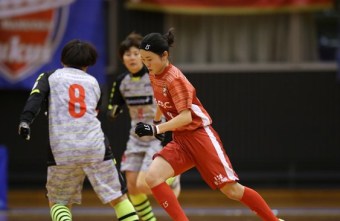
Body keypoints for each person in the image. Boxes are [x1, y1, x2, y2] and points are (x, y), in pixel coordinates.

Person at [134, 28, 285, 221]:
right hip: (181, 140)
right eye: (143, 59)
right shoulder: (155, 73)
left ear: (165, 55)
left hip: (200, 136)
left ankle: (274, 220)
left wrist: (156, 128)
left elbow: (186, 117)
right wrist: (157, 120)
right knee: (152, 177)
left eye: (149, 59)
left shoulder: (175, 79)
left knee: (231, 190)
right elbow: (161, 100)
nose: (146, 64)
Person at [18, 39, 139, 221]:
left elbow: (35, 98)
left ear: (63, 60)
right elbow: (95, 111)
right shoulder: (94, 82)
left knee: (59, 202)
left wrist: (25, 121)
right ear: (88, 63)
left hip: (63, 147)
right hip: (94, 144)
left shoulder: (50, 77)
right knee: (119, 197)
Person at [107, 33, 181, 221]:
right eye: (126, 54)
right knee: (132, 187)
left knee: (143, 184)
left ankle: (172, 178)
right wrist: (113, 111)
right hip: (136, 137)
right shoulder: (121, 81)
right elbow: (112, 108)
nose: (131, 57)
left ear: (143, 56)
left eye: (134, 53)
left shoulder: (154, 76)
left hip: (158, 134)